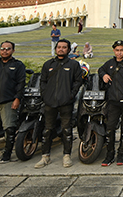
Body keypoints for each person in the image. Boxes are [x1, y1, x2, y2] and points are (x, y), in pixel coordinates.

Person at [35, 39, 85, 169]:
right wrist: (45, 95)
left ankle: (66, 155)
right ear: (56, 49)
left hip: (66, 102)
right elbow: (43, 82)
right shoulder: (48, 64)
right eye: (59, 47)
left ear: (68, 50)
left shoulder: (73, 65)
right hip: (50, 102)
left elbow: (77, 82)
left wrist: (71, 95)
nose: (61, 49)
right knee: (47, 130)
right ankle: (45, 156)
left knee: (67, 130)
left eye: (64, 47)